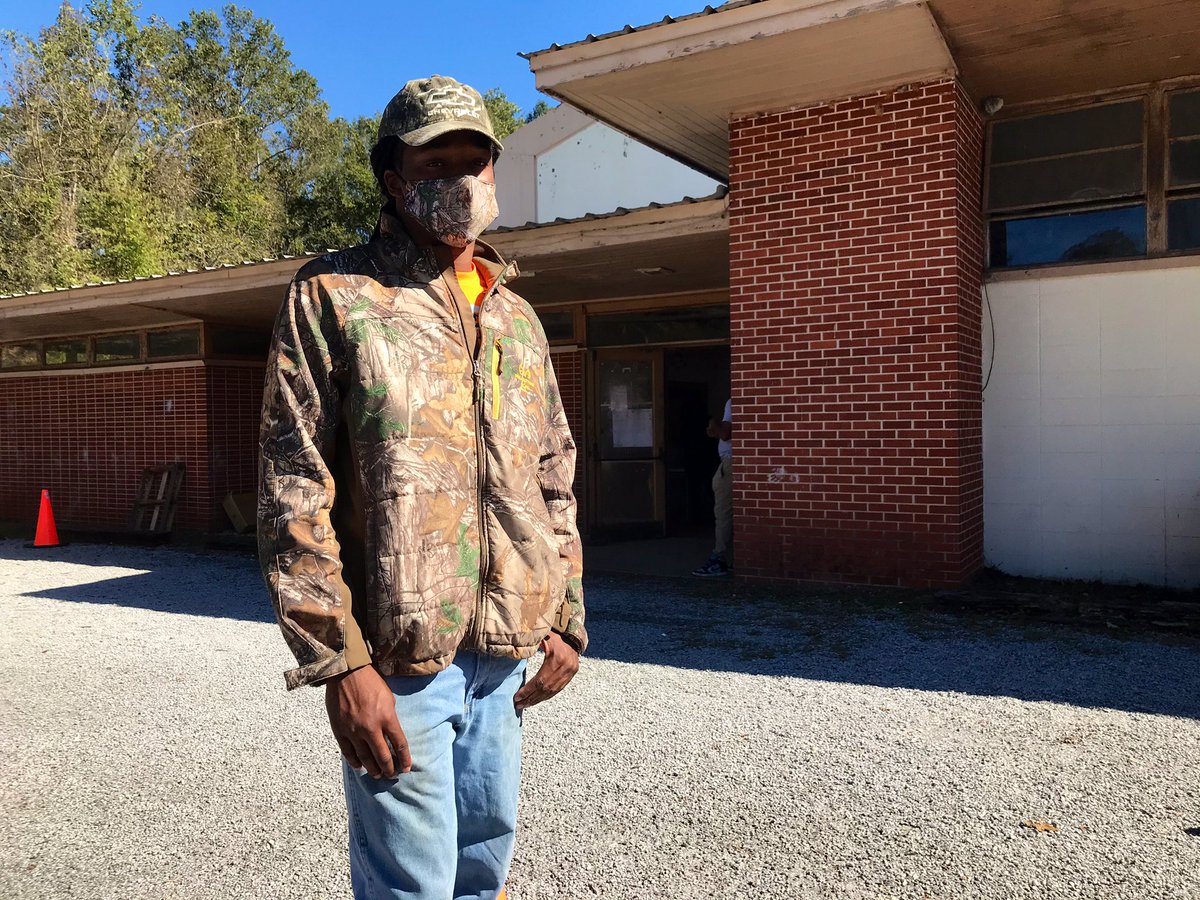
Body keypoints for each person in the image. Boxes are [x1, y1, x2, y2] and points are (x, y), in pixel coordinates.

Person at [257, 75, 586, 900]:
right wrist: (338, 663)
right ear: (394, 180)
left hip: (507, 659)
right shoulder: (334, 297)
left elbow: (554, 476)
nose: (464, 182)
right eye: (439, 162)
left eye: (477, 161)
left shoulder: (517, 319)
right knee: (412, 888)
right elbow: (293, 485)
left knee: (484, 874)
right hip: (400, 669)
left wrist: (568, 616)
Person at [693, 398, 733, 576]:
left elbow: (725, 433)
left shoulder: (733, 402)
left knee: (723, 512)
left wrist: (714, 425)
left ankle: (719, 558)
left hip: (729, 463)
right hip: (733, 463)